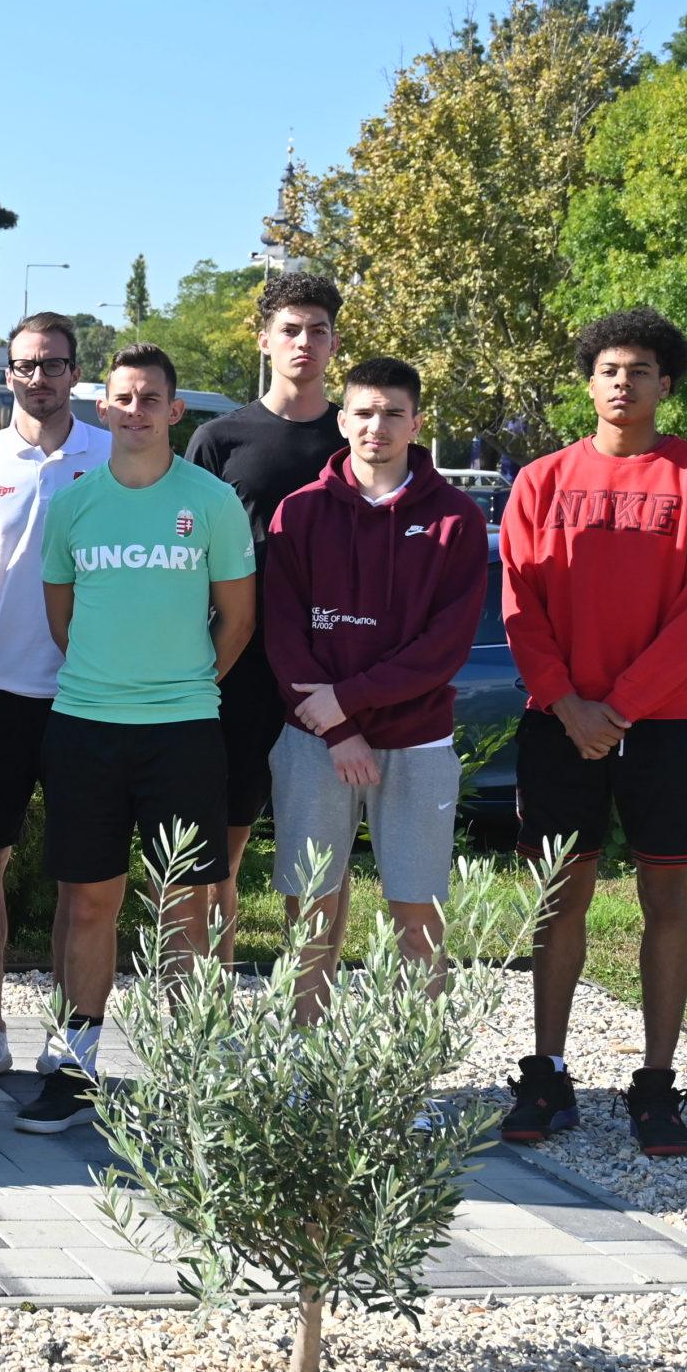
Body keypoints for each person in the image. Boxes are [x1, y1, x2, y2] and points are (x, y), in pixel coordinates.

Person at [500, 308, 687, 1158]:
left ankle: (657, 1082)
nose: (622, 381)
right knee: (559, 896)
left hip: (662, 723)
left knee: (664, 898)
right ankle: (548, 1069)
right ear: (588, 379)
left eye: (640, 369)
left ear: (665, 383)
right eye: (608, 367)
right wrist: (568, 703)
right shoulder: (541, 480)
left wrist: (621, 706)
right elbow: (521, 606)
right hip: (559, 721)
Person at [24, 344, 255, 1133]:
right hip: (86, 726)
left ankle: (185, 1071)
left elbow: (238, 618)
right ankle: (77, 1063)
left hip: (184, 731)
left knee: (185, 908)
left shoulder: (213, 502)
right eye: (121, 398)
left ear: (174, 410)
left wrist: (184, 682)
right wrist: (110, 676)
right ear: (102, 408)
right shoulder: (76, 502)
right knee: (90, 902)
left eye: (149, 398)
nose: (134, 411)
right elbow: (60, 616)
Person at [261, 356, 488, 1021]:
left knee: (417, 907)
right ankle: (306, 1066)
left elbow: (442, 650)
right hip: (314, 740)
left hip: (417, 740)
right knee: (311, 904)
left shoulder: (456, 519)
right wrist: (337, 726)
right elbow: (283, 636)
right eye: (363, 411)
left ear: (417, 422)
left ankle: (409, 1074)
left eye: (393, 413)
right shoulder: (298, 514)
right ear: (342, 420)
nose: (377, 426)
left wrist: (346, 701)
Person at [0, 313, 112, 1087]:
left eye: (52, 364)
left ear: (75, 371)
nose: (38, 377)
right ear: (5, 373)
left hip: (87, 692)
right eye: (24, 365)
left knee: (87, 877)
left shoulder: (112, 455)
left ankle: (77, 1041)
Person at [185, 271, 344, 947]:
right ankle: (209, 1019)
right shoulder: (222, 440)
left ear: (334, 343)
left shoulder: (359, 433)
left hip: (334, 670)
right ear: (264, 341)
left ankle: (308, 1028)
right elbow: (185, 552)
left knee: (319, 865)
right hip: (237, 667)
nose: (303, 341)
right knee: (221, 850)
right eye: (290, 329)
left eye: (317, 329)